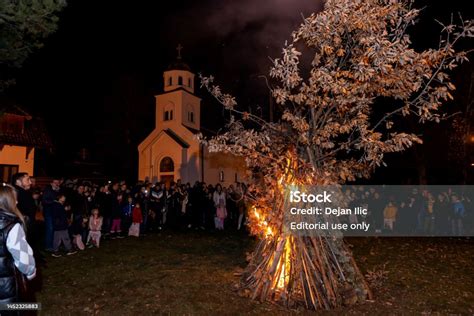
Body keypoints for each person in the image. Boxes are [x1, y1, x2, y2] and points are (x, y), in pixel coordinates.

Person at [0, 183, 36, 304]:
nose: (16, 202)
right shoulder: (12, 227)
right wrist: (31, 272)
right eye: (14, 199)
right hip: (6, 287)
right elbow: (23, 258)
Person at [42, 178, 61, 251]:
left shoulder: (58, 191)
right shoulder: (48, 190)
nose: (57, 184)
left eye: (58, 182)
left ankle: (54, 245)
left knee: (54, 228)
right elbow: (44, 201)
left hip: (55, 212)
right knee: (50, 228)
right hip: (48, 212)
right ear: (51, 183)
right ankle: (48, 246)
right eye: (55, 182)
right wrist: (53, 201)